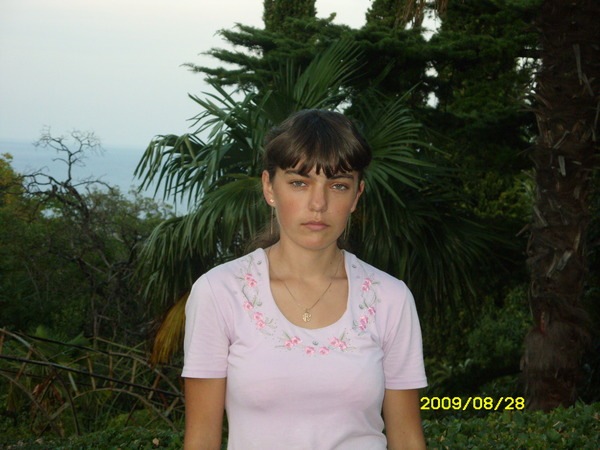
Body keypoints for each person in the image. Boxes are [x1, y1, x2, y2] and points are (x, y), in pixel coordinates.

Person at [182, 109, 427, 449]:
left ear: (356, 196)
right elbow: (201, 438)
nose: (318, 203)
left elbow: (407, 437)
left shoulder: (390, 298)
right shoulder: (219, 292)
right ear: (269, 187)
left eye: (338, 185)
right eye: (299, 182)